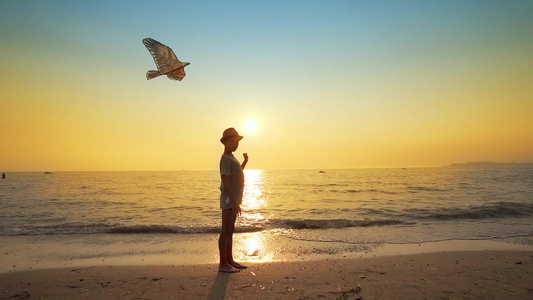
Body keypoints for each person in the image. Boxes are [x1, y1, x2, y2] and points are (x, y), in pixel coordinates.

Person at [218, 127, 249, 273]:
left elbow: (237, 173)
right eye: (232, 142)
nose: (235, 145)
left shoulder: (232, 158)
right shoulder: (225, 158)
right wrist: (234, 202)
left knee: (231, 230)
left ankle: (230, 260)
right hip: (229, 200)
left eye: (237, 142)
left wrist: (245, 162)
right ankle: (223, 263)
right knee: (225, 231)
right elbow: (226, 181)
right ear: (225, 142)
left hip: (234, 199)